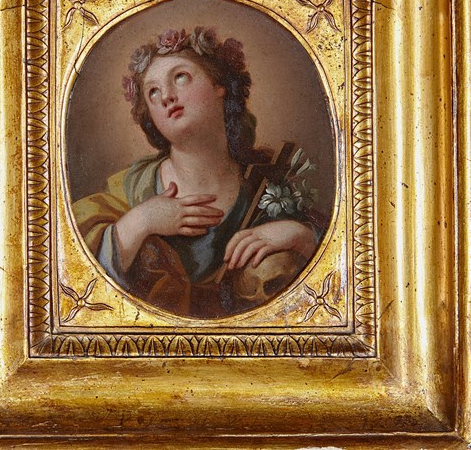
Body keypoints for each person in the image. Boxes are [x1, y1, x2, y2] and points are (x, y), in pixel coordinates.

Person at [72, 27, 322, 318]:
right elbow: (76, 274)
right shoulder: (130, 191)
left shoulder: (266, 185)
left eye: (180, 77)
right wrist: (141, 221)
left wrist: (301, 236)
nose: (166, 96)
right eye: (153, 92)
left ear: (219, 85)